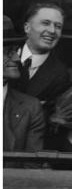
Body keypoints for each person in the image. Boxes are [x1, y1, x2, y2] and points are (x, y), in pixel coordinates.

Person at [12, 2, 72, 109]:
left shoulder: (61, 76)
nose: (52, 31)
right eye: (45, 23)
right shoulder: (5, 55)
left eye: (58, 26)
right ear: (27, 28)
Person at [3, 16, 45, 153]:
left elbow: (30, 170)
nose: (16, 58)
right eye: (8, 52)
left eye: (16, 50)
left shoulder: (30, 109)